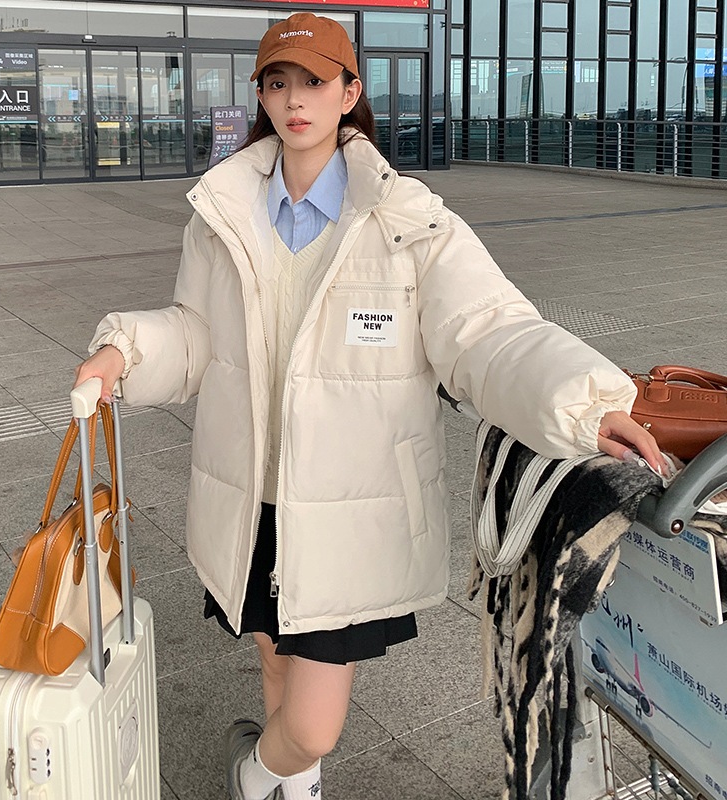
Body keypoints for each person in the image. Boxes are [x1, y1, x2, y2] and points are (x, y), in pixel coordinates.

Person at [73, 13, 663, 800]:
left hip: (346, 508)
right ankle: (296, 789)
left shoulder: (406, 220)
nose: (295, 100)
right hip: (251, 501)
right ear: (262, 96)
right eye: (277, 82)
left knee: (313, 724)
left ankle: (256, 774)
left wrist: (583, 402)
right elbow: (197, 333)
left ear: (350, 92)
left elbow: (486, 332)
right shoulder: (222, 215)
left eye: (315, 82)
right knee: (276, 661)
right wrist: (126, 352)